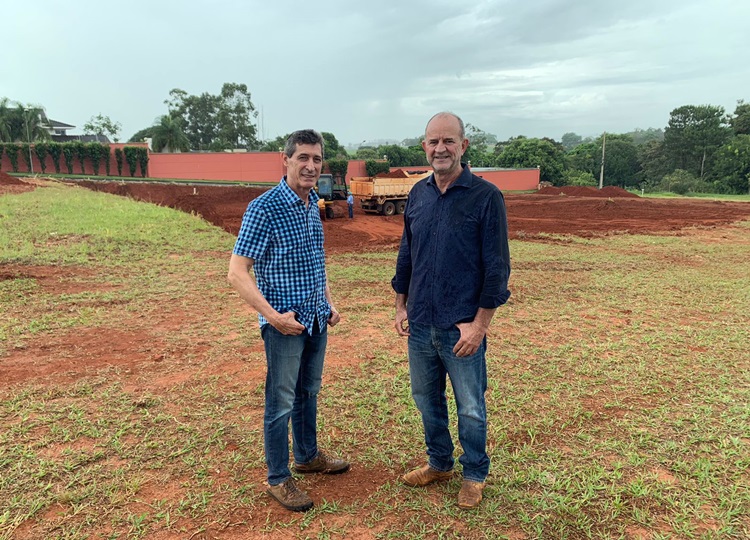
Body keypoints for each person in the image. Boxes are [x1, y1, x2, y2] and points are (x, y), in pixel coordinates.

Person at [391, 112, 511, 509]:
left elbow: (497, 268)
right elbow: (408, 253)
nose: (440, 148)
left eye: (448, 141)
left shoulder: (486, 196)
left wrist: (479, 326)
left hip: (462, 328)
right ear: (424, 147)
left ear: (464, 146)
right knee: (426, 399)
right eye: (432, 141)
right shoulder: (418, 194)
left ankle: (474, 473)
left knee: (472, 406)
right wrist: (400, 305)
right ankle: (439, 463)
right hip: (421, 323)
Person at [227, 129, 350, 512]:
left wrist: (328, 302)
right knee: (280, 401)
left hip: (315, 319)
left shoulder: (313, 203)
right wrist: (273, 317)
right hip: (284, 325)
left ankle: (308, 456)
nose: (311, 166)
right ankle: (279, 477)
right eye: (303, 158)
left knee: (308, 391)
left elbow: (317, 261)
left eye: (316, 159)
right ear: (286, 161)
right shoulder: (263, 208)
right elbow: (237, 272)